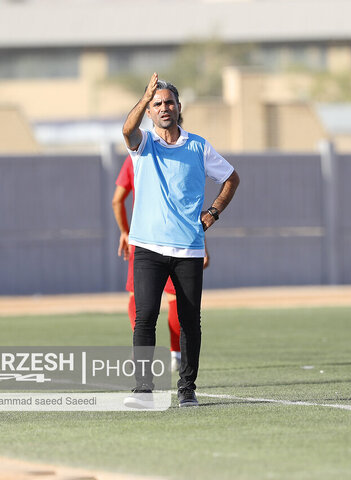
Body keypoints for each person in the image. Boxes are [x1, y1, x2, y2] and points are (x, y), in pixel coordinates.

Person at [121, 73, 239, 408]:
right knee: (145, 317)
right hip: (147, 247)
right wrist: (143, 97)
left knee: (189, 320)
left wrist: (213, 213)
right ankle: (143, 390)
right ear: (149, 111)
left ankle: (187, 388)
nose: (163, 108)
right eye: (156, 104)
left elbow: (231, 178)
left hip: (188, 247)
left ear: (178, 106)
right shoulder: (143, 144)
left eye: (168, 102)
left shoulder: (198, 146)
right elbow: (126, 131)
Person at [112, 155, 210, 372]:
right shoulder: (185, 156)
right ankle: (176, 354)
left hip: (144, 237)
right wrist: (203, 243)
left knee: (137, 297)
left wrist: (125, 232)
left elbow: (117, 199)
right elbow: (190, 204)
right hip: (179, 238)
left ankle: (143, 350)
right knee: (176, 299)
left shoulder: (138, 156)